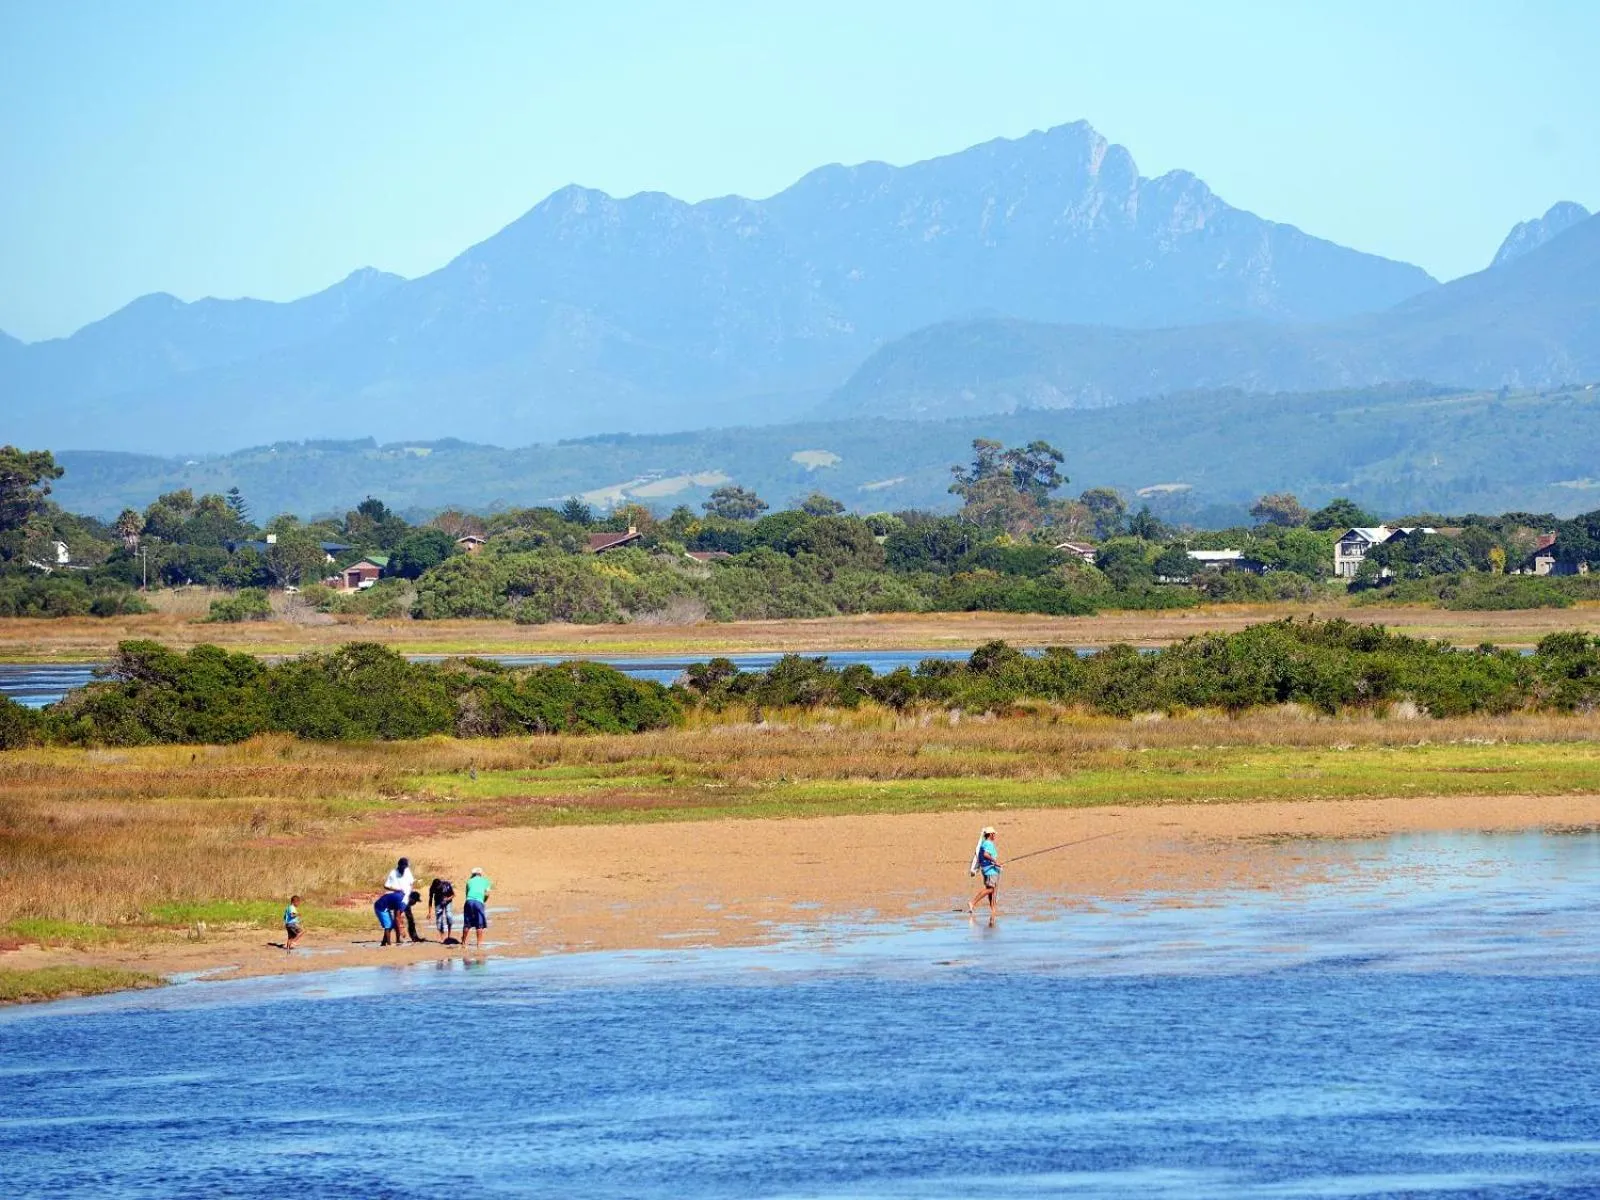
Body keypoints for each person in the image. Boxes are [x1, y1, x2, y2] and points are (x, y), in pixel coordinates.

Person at [968, 826, 1002, 915]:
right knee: (991, 889)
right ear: (990, 834)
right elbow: (986, 854)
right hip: (990, 870)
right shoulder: (989, 843)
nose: (995, 836)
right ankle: (972, 902)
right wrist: (995, 862)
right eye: (994, 834)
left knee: (991, 889)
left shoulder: (984, 843)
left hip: (987, 869)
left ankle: (993, 908)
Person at [460, 867, 492, 949]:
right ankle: (479, 944)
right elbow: (487, 894)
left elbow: (467, 894)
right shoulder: (486, 881)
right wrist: (483, 900)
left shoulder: (469, 881)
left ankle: (463, 942)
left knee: (467, 923)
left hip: (469, 901)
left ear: (473, 874)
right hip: (479, 902)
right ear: (481, 874)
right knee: (479, 924)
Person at [427, 876, 456, 943]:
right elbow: (430, 900)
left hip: (448, 902)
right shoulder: (432, 888)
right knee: (439, 921)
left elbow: (454, 895)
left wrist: (447, 899)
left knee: (449, 916)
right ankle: (442, 937)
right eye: (436, 888)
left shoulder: (447, 885)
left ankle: (449, 936)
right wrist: (429, 912)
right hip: (438, 902)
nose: (438, 888)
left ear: (441, 884)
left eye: (439, 887)